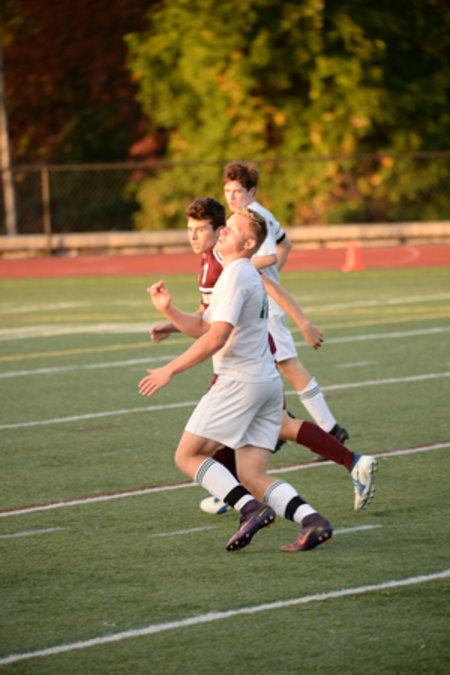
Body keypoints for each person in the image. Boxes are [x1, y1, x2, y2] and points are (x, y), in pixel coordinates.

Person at [151, 198, 377, 513]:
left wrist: (304, 323)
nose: (193, 236)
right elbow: (209, 317)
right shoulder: (209, 262)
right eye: (190, 229)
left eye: (200, 229)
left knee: (211, 439)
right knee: (276, 425)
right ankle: (347, 464)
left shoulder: (227, 261)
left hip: (247, 358)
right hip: (244, 357)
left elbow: (266, 291)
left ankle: (234, 494)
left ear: (219, 230)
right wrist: (173, 320)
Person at [139, 208, 333, 552]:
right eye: (225, 226)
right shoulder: (238, 274)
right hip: (266, 384)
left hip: (240, 382)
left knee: (187, 456)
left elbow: (216, 337)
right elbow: (204, 326)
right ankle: (312, 520)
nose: (224, 231)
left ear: (247, 244)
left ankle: (250, 509)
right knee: (252, 475)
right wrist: (169, 310)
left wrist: (170, 369)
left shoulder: (234, 275)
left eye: (232, 229)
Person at [223, 161, 349, 445]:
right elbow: (285, 244)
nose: (231, 196)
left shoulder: (253, 217)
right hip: (254, 302)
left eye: (237, 191)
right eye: (228, 190)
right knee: (256, 364)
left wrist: (241, 267)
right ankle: (277, 422)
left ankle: (329, 429)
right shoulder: (251, 214)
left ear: (252, 191)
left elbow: (269, 255)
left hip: (266, 305)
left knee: (287, 365)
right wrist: (271, 273)